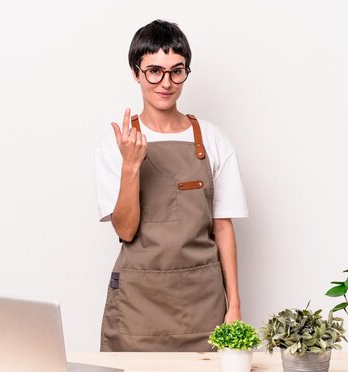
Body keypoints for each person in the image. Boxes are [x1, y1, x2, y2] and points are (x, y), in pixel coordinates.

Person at [95, 20, 248, 352]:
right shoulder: (116, 143)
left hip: (202, 305)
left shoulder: (212, 139)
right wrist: (132, 166)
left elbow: (223, 227)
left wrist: (234, 305)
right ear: (136, 72)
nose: (166, 83)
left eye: (176, 71)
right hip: (138, 306)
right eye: (154, 71)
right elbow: (125, 230)